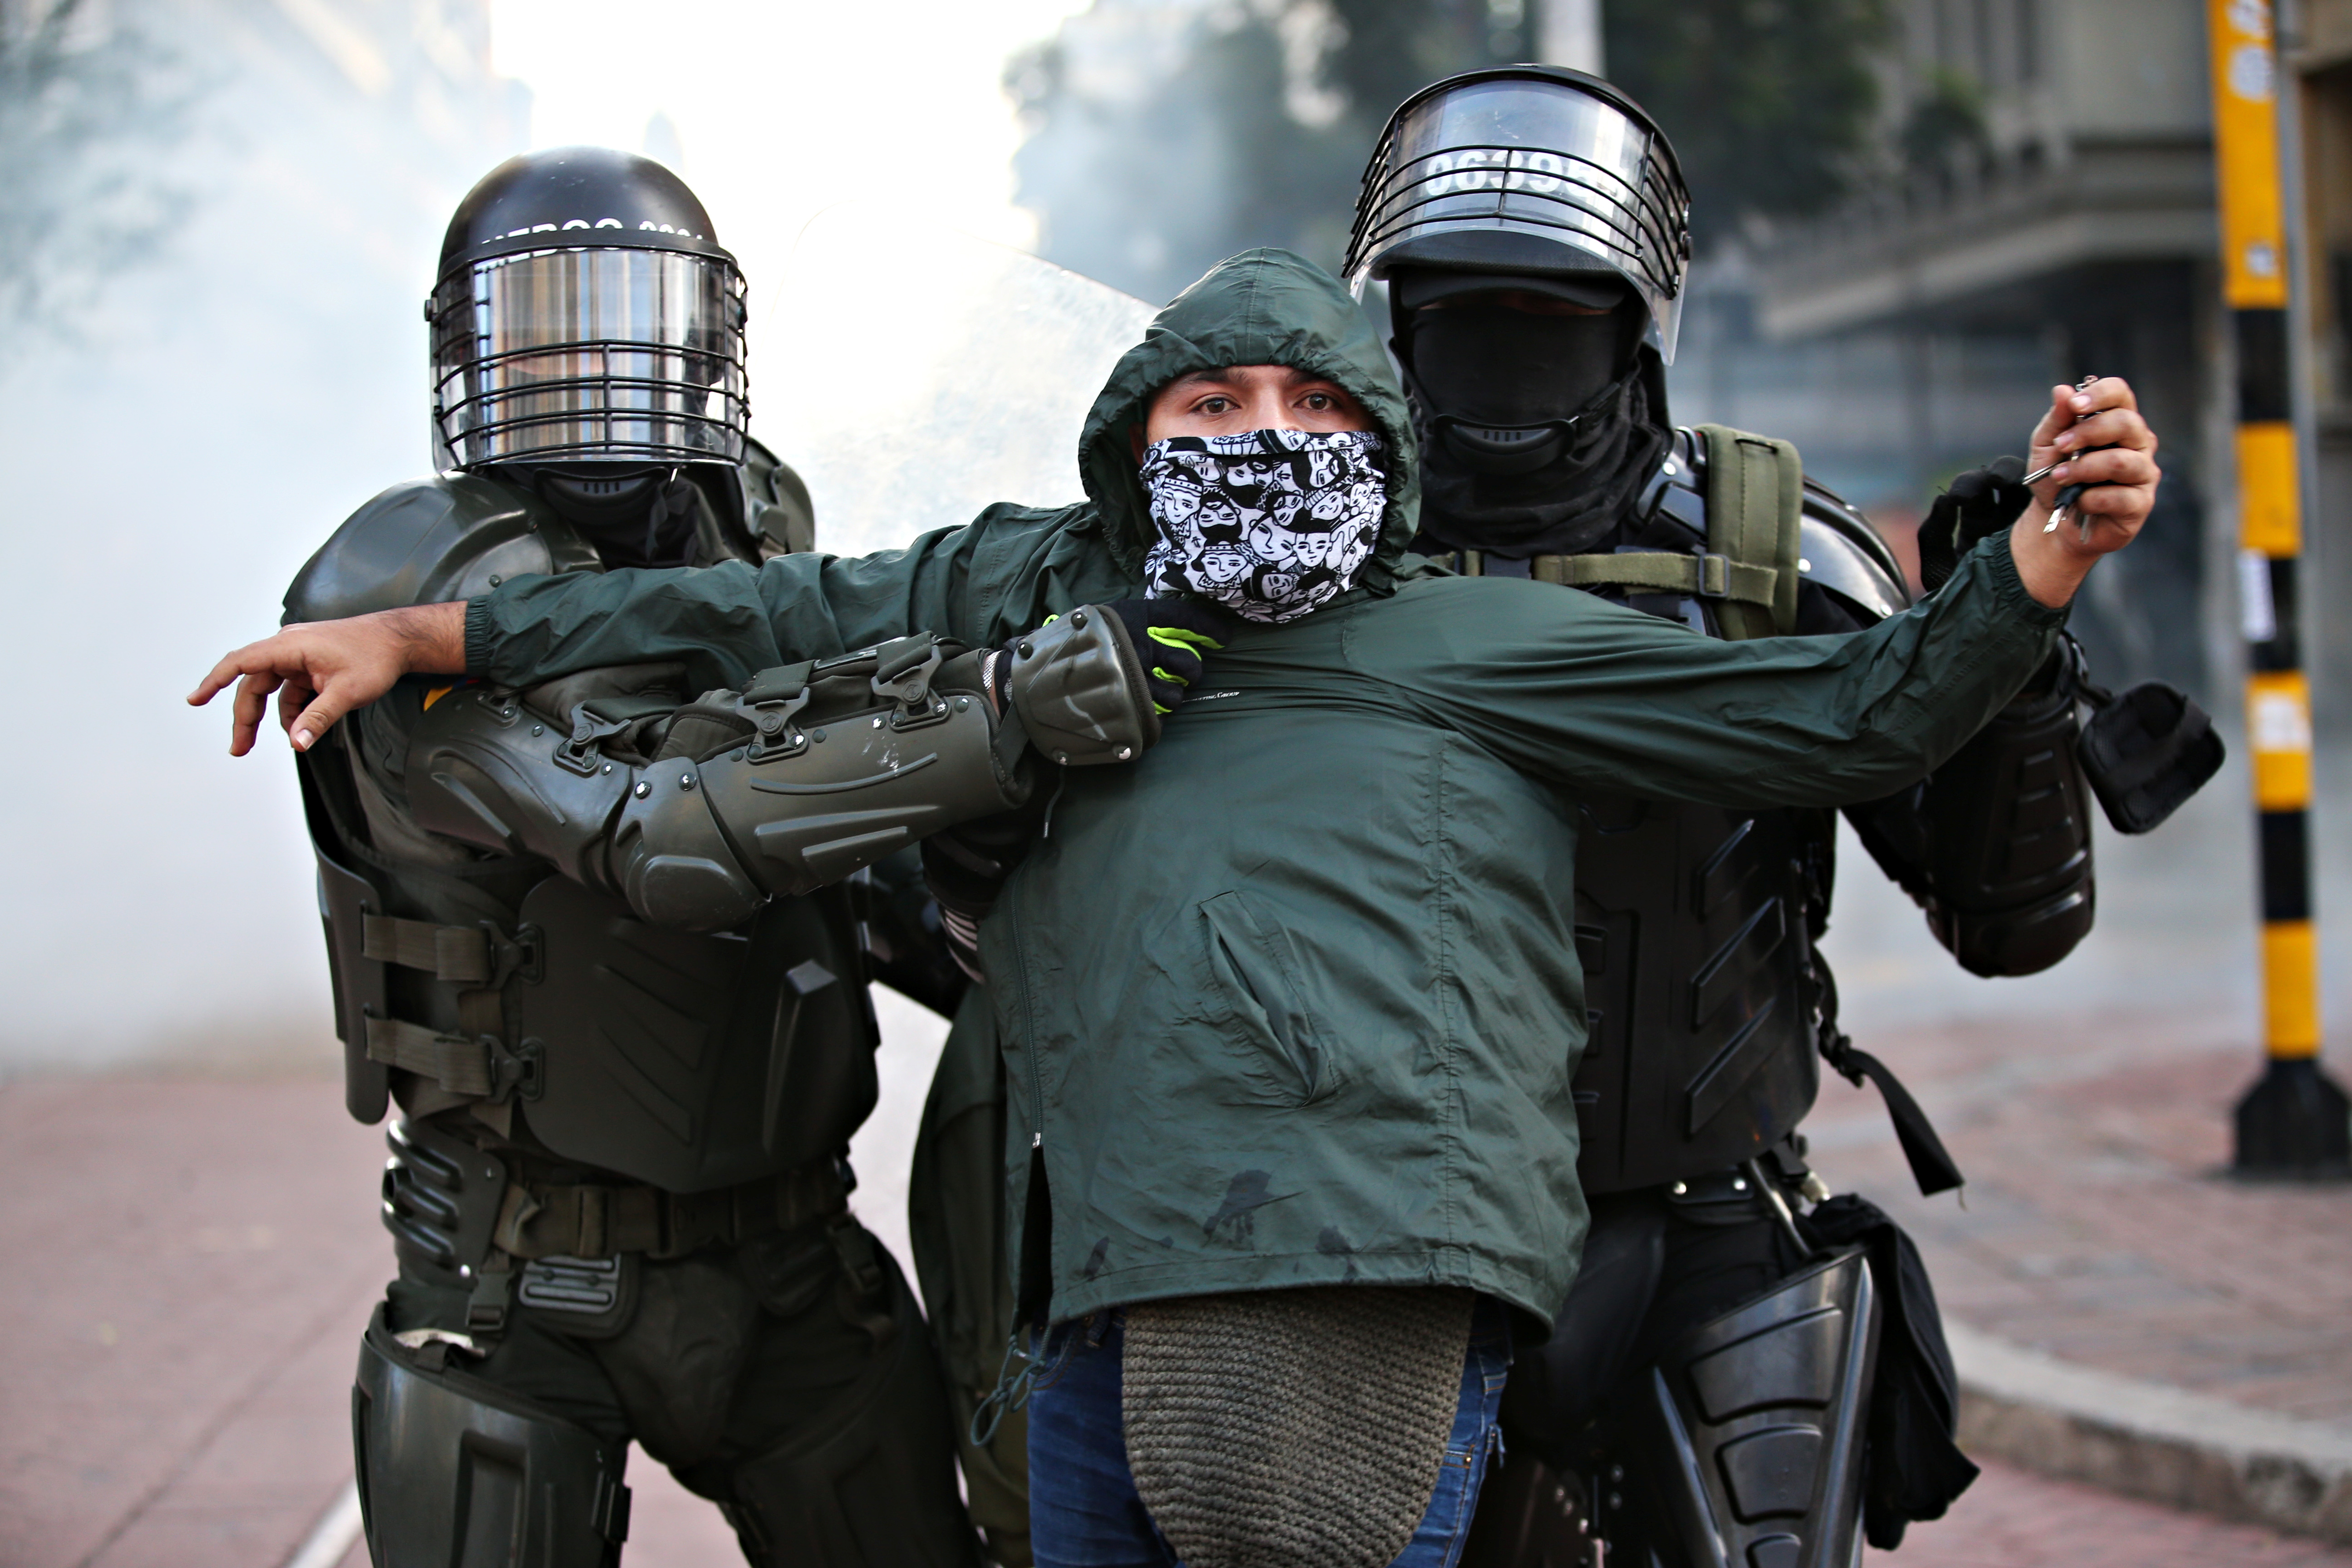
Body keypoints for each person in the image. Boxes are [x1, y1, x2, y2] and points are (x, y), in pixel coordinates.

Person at [194, 247, 2160, 1568]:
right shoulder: (1048, 582)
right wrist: (433, 634)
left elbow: (1848, 711)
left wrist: (2042, 568)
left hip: (1371, 1283)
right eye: (1212, 403)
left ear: (1381, 447)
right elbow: (754, 611)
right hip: (1097, 1286)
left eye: (1313, 407)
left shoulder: (1479, 639)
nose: (1263, 437)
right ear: (1137, 444)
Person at [233, 147, 1166, 1568]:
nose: (594, 367)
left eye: (629, 321)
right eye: (548, 331)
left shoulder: (755, 525)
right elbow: (662, 838)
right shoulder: (406, 590)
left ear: (704, 343)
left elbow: (847, 859)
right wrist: (994, 719)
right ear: (469, 353)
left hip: (793, 1260)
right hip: (512, 1281)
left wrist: (1018, 922)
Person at [1338, 66, 2216, 1565]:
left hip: (1710, 1230)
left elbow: (2008, 921)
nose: (1507, 352)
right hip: (1375, 1238)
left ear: (1635, 322)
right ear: (1399, 320)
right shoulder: (1305, 563)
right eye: (1466, 313)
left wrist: (2011, 636)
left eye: (1554, 313)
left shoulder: (1771, 565)